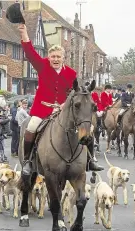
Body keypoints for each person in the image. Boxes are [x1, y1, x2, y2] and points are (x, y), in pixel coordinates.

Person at [18, 23, 103, 176]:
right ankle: (28, 162)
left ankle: (91, 160)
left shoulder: (71, 73)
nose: (55, 59)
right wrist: (24, 33)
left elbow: (74, 92)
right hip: (42, 109)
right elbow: (30, 53)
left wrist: (65, 104)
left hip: (64, 110)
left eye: (58, 57)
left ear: (63, 58)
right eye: (53, 57)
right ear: (48, 57)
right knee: (31, 126)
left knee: (87, 128)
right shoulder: (42, 65)